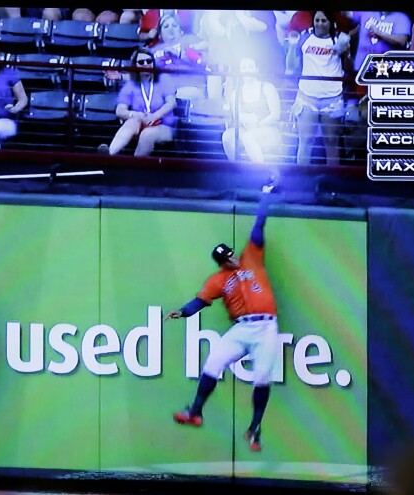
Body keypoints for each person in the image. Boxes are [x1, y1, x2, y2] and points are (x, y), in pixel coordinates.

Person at [165, 179, 280, 453]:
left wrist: (265, 197)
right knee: (212, 363)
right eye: (227, 259)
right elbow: (200, 301)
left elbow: (258, 227)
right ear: (222, 263)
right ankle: (195, 411)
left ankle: (254, 428)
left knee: (262, 377)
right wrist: (181, 312)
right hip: (241, 329)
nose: (233, 260)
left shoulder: (250, 257)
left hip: (265, 327)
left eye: (231, 254)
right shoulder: (218, 280)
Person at [286, 10, 350, 166]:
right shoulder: (304, 37)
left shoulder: (338, 39)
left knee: (331, 142)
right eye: (317, 20)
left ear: (330, 22)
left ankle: (332, 185)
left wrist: (346, 52)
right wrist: (292, 48)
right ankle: (301, 183)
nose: (320, 24)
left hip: (332, 98)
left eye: (324, 21)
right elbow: (292, 65)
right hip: (307, 96)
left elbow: (349, 68)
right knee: (305, 142)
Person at [97, 47, 177, 156]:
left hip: (164, 125)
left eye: (149, 61)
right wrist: (134, 114)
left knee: (147, 134)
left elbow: (171, 103)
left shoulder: (164, 78)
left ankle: (134, 165)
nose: (146, 64)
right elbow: (120, 110)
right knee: (131, 122)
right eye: (141, 62)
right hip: (141, 121)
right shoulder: (131, 84)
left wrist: (154, 116)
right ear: (136, 66)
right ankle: (108, 154)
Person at [222, 56, 282, 164]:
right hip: (246, 128)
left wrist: (259, 123)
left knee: (248, 137)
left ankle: (260, 171)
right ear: (240, 71)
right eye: (244, 68)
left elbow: (276, 114)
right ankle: (236, 168)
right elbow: (237, 116)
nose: (247, 70)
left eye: (250, 67)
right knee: (227, 136)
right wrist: (245, 118)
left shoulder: (267, 88)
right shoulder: (236, 93)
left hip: (268, 129)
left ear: (256, 69)